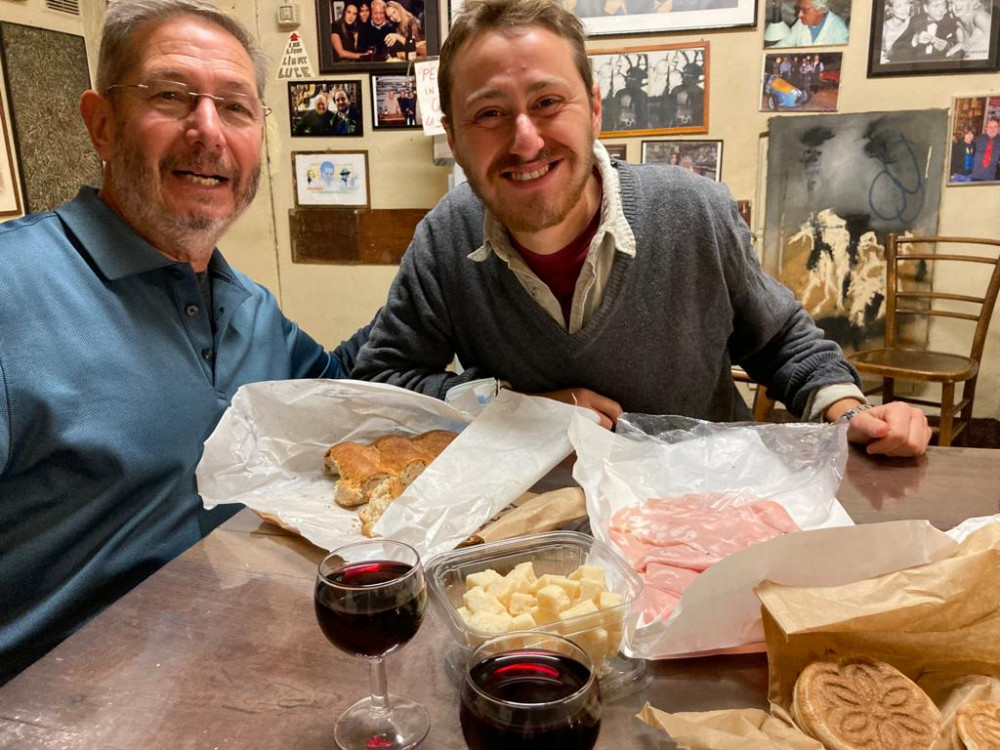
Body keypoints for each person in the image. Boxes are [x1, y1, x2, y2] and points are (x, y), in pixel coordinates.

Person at [353, 0, 930, 456]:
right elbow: (382, 384)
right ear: (453, 136)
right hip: (540, 525)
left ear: (595, 109)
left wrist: (851, 413)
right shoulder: (443, 239)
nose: (525, 139)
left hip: (708, 503)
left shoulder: (696, 210)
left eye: (549, 101)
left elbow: (779, 341)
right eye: (489, 114)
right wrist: (517, 408)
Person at [0, 0, 373, 684]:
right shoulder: (11, 294)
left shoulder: (251, 309)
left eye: (236, 107)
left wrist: (458, 295)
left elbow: (342, 394)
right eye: (171, 96)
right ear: (102, 125)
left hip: (238, 675)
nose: (208, 129)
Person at [773, 0, 850, 47]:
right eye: (799, 9)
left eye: (804, 10)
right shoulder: (801, 23)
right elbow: (785, 44)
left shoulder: (839, 31)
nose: (799, 15)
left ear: (820, 10)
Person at [971, 118, 1000, 182]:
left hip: (990, 177)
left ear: (998, 129)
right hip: (975, 175)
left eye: (995, 127)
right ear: (986, 128)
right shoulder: (978, 139)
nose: (992, 129)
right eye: (990, 127)